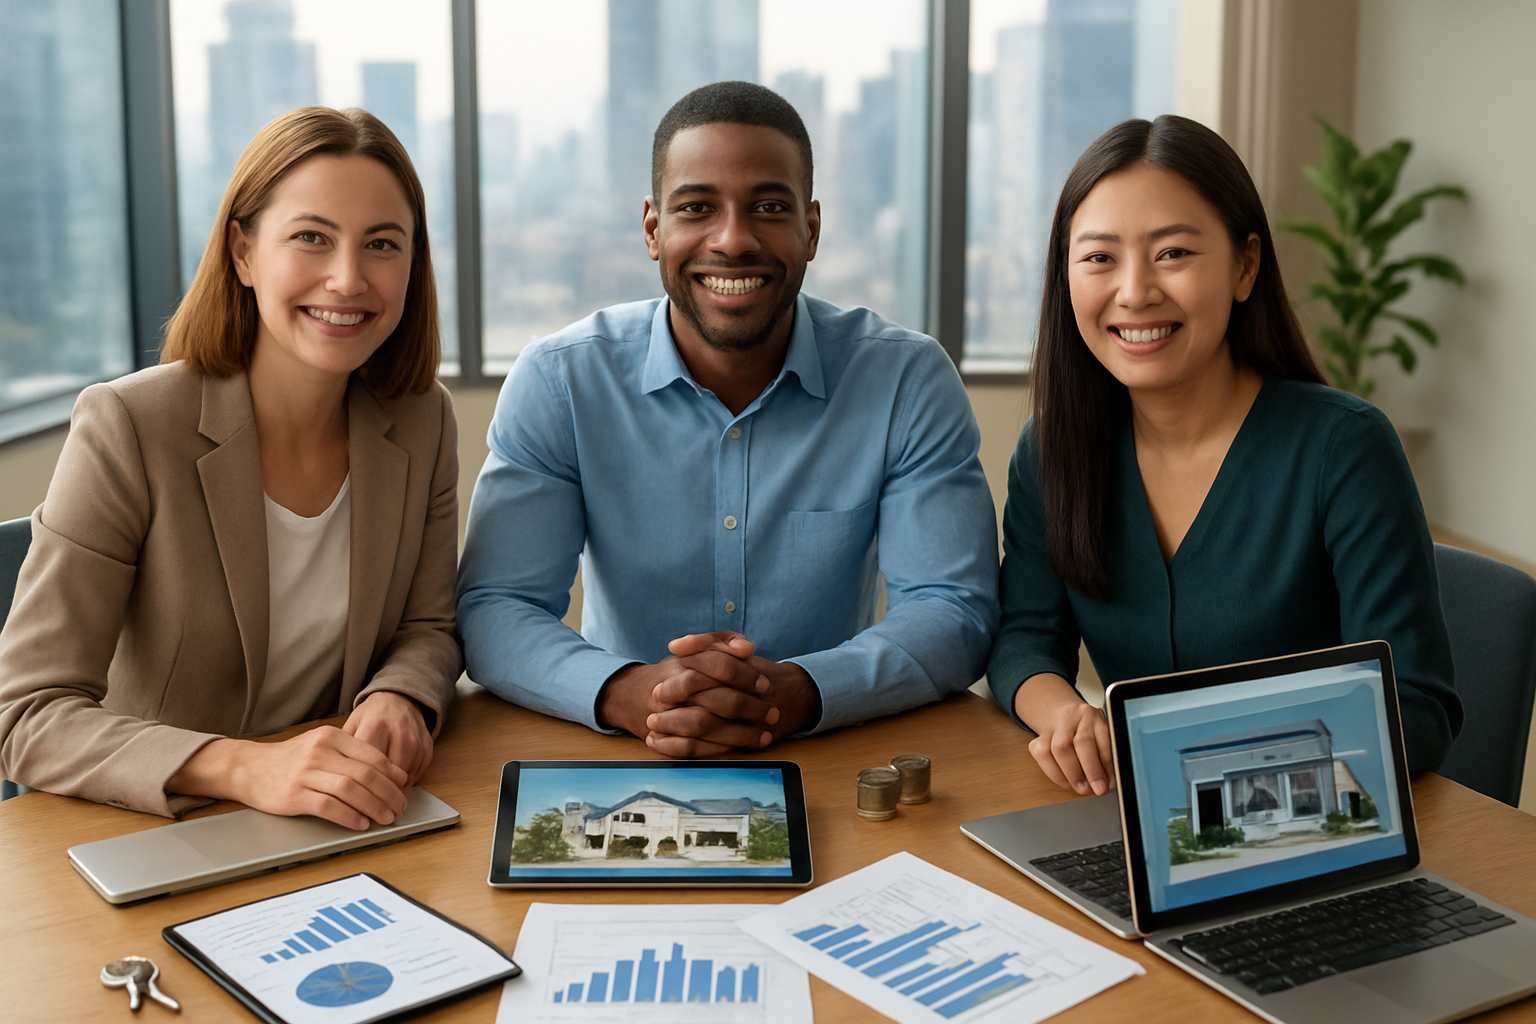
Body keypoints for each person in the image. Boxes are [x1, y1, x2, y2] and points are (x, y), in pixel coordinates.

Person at [457, 81, 999, 755]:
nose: (734, 239)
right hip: (619, 746)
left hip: (834, 750)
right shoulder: (561, 380)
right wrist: (636, 695)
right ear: (654, 230)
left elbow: (954, 607)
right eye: (697, 207)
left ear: (812, 228)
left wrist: (797, 692)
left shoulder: (906, 381)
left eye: (769, 206)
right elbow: (495, 608)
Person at [0, 107, 461, 829]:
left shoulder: (421, 417)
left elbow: (429, 624)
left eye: (382, 244)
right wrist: (247, 766)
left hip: (338, 815)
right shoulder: (129, 426)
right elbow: (24, 715)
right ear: (243, 254)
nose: (347, 279)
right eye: (312, 237)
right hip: (158, 825)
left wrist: (399, 694)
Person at [988, 114, 1461, 795]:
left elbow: (1416, 707)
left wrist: (1208, 764)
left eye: (1173, 253)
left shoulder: (1344, 447)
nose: (1134, 291)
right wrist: (1065, 716)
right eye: (1098, 257)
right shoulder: (1051, 448)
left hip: (1310, 824)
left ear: (1245, 266)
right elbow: (1026, 637)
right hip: (1135, 817)